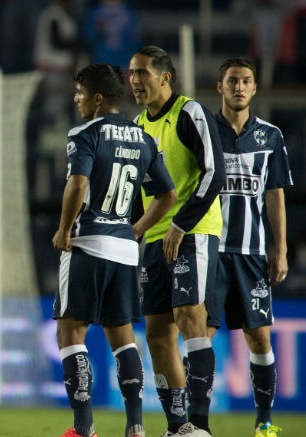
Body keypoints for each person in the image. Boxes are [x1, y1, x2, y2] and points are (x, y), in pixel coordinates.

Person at [51, 63, 176, 437]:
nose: (76, 99)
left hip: (87, 243)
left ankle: (83, 427)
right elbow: (167, 195)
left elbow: (77, 184)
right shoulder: (143, 138)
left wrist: (62, 230)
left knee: (71, 332)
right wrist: (136, 229)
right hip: (124, 250)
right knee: (122, 336)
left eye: (80, 93)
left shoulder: (85, 133)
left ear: (98, 98)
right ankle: (136, 425)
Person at [128, 45, 226, 437]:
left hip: (193, 232)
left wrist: (181, 225)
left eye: (143, 73)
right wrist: (133, 233)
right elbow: (137, 190)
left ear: (165, 77)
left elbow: (213, 173)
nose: (135, 80)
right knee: (156, 333)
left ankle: (200, 425)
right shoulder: (137, 126)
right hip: (154, 239)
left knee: (190, 318)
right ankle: (177, 426)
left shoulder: (190, 113)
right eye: (132, 73)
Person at [206, 57, 293, 437]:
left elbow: (274, 195)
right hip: (207, 250)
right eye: (232, 81)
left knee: (258, 336)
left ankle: (264, 421)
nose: (239, 87)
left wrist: (281, 248)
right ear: (219, 87)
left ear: (254, 88)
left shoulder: (270, 136)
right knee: (200, 334)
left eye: (245, 81)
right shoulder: (203, 131)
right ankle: (196, 422)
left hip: (252, 254)